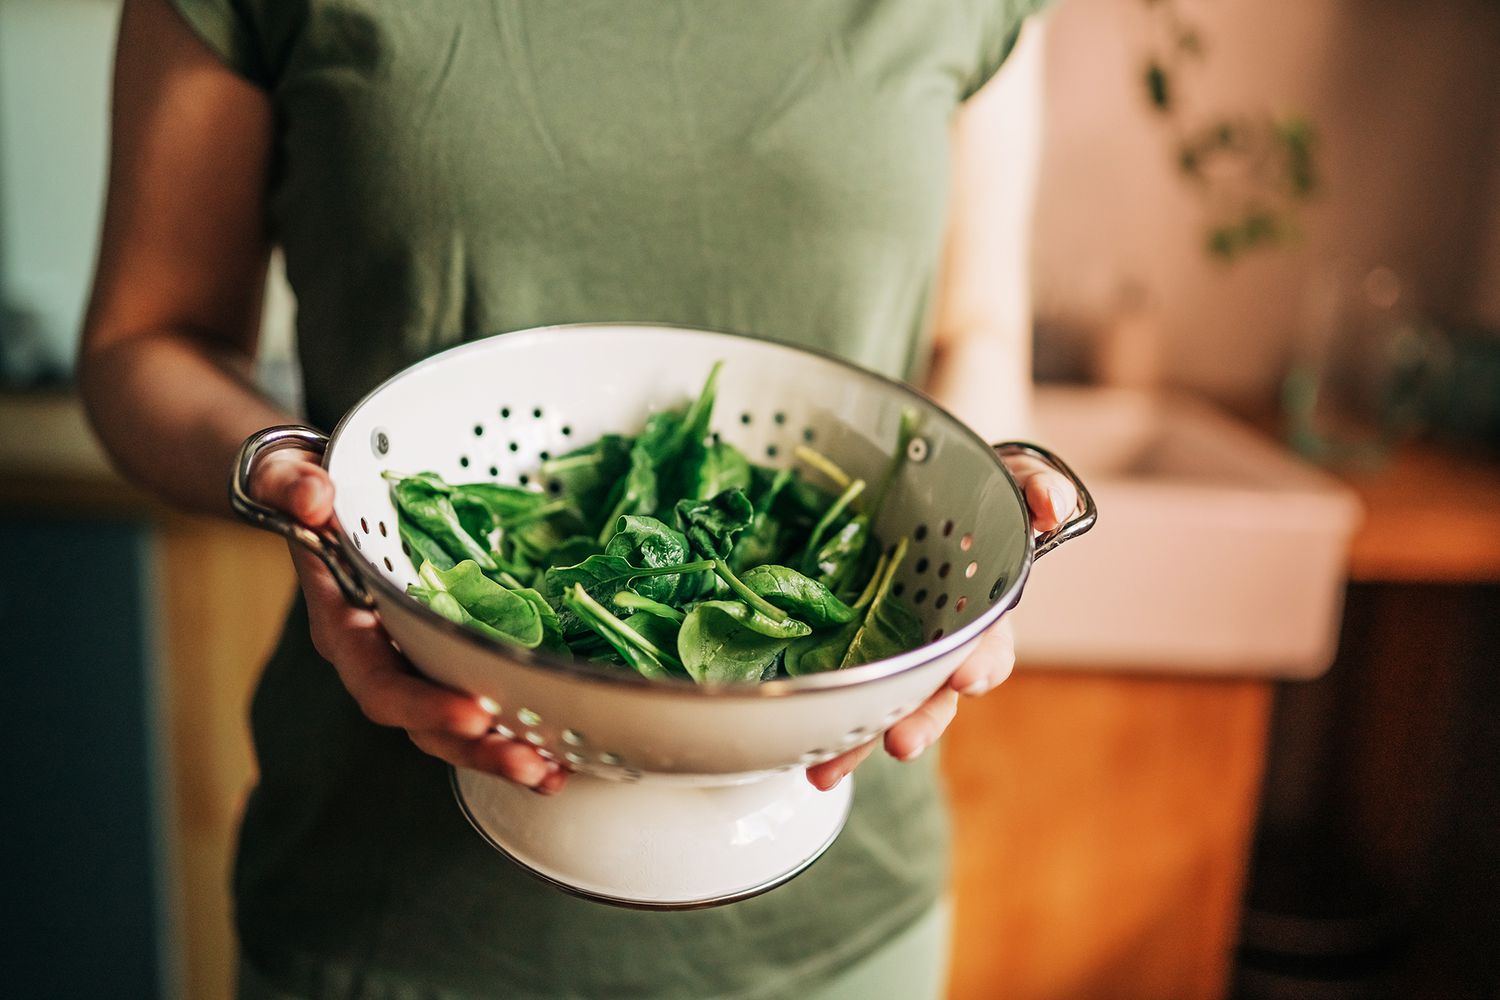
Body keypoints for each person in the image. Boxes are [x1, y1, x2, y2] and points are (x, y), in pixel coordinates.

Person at [79, 1, 1072, 997]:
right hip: (387, 913)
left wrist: (974, 522)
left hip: (838, 918)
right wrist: (291, 480)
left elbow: (975, 326)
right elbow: (144, 343)